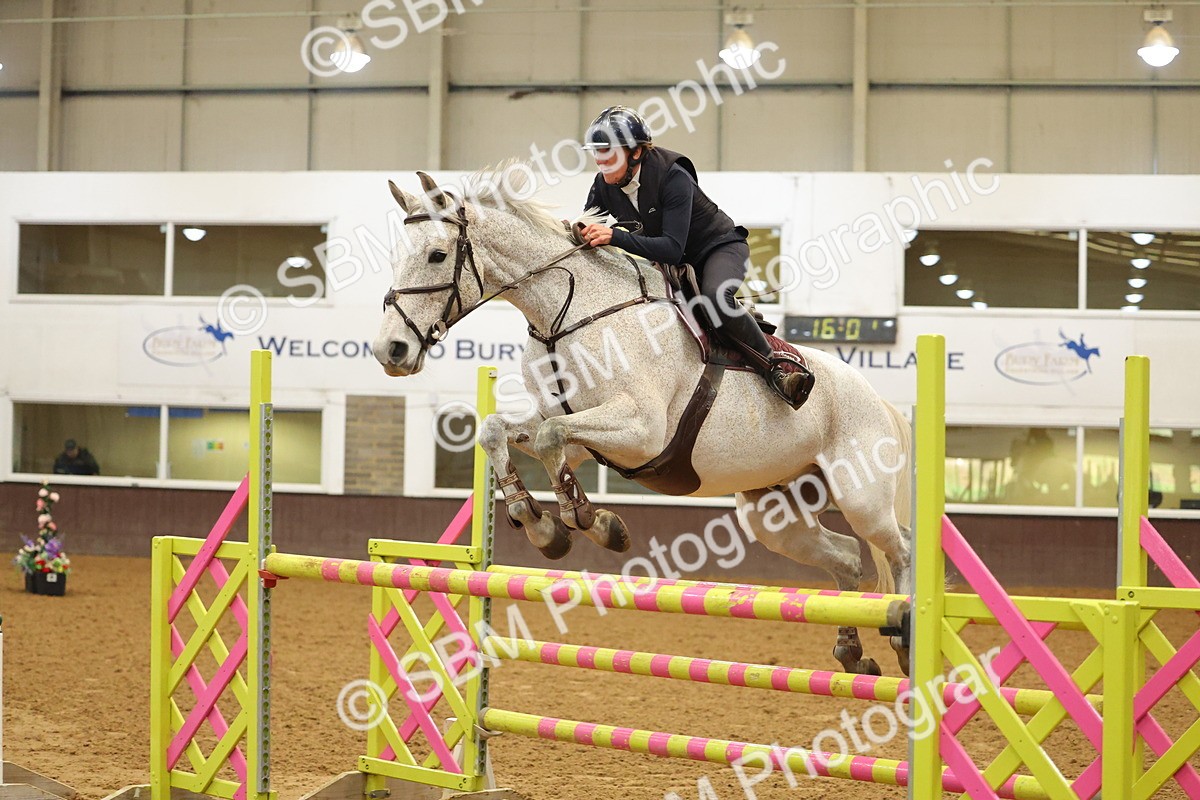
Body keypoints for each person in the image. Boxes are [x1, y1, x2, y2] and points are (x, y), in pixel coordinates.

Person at [576, 106, 813, 408]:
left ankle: (775, 370)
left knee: (714, 297)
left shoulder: (673, 176)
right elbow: (585, 222)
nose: (599, 161)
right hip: (671, 264)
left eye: (607, 152)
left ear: (635, 153)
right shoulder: (603, 184)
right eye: (596, 153)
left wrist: (615, 236)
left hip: (717, 248)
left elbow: (672, 248)